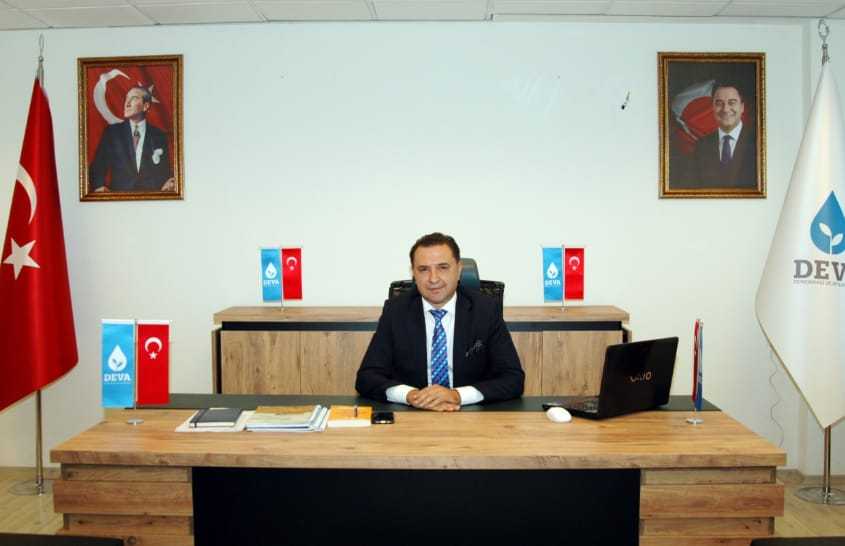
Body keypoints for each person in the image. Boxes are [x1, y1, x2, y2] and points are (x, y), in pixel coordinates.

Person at [355, 232, 524, 411]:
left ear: (459, 269)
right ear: (413, 273)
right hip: (413, 414)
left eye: (443, 267)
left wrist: (457, 395)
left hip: (471, 415)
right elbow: (367, 377)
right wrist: (410, 395)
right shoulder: (396, 311)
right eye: (423, 269)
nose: (433, 279)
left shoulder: (485, 310)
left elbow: (513, 379)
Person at [89, 86, 176, 193]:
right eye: (126, 98)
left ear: (145, 106)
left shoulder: (159, 135)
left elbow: (165, 171)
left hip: (150, 198)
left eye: (133, 98)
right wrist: (99, 186)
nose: (127, 103)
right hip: (119, 198)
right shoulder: (112, 133)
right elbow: (97, 167)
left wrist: (169, 182)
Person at [691, 83, 757, 188]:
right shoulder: (701, 145)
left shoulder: (758, 141)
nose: (725, 109)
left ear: (742, 107)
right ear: (713, 107)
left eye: (732, 103)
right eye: (719, 103)